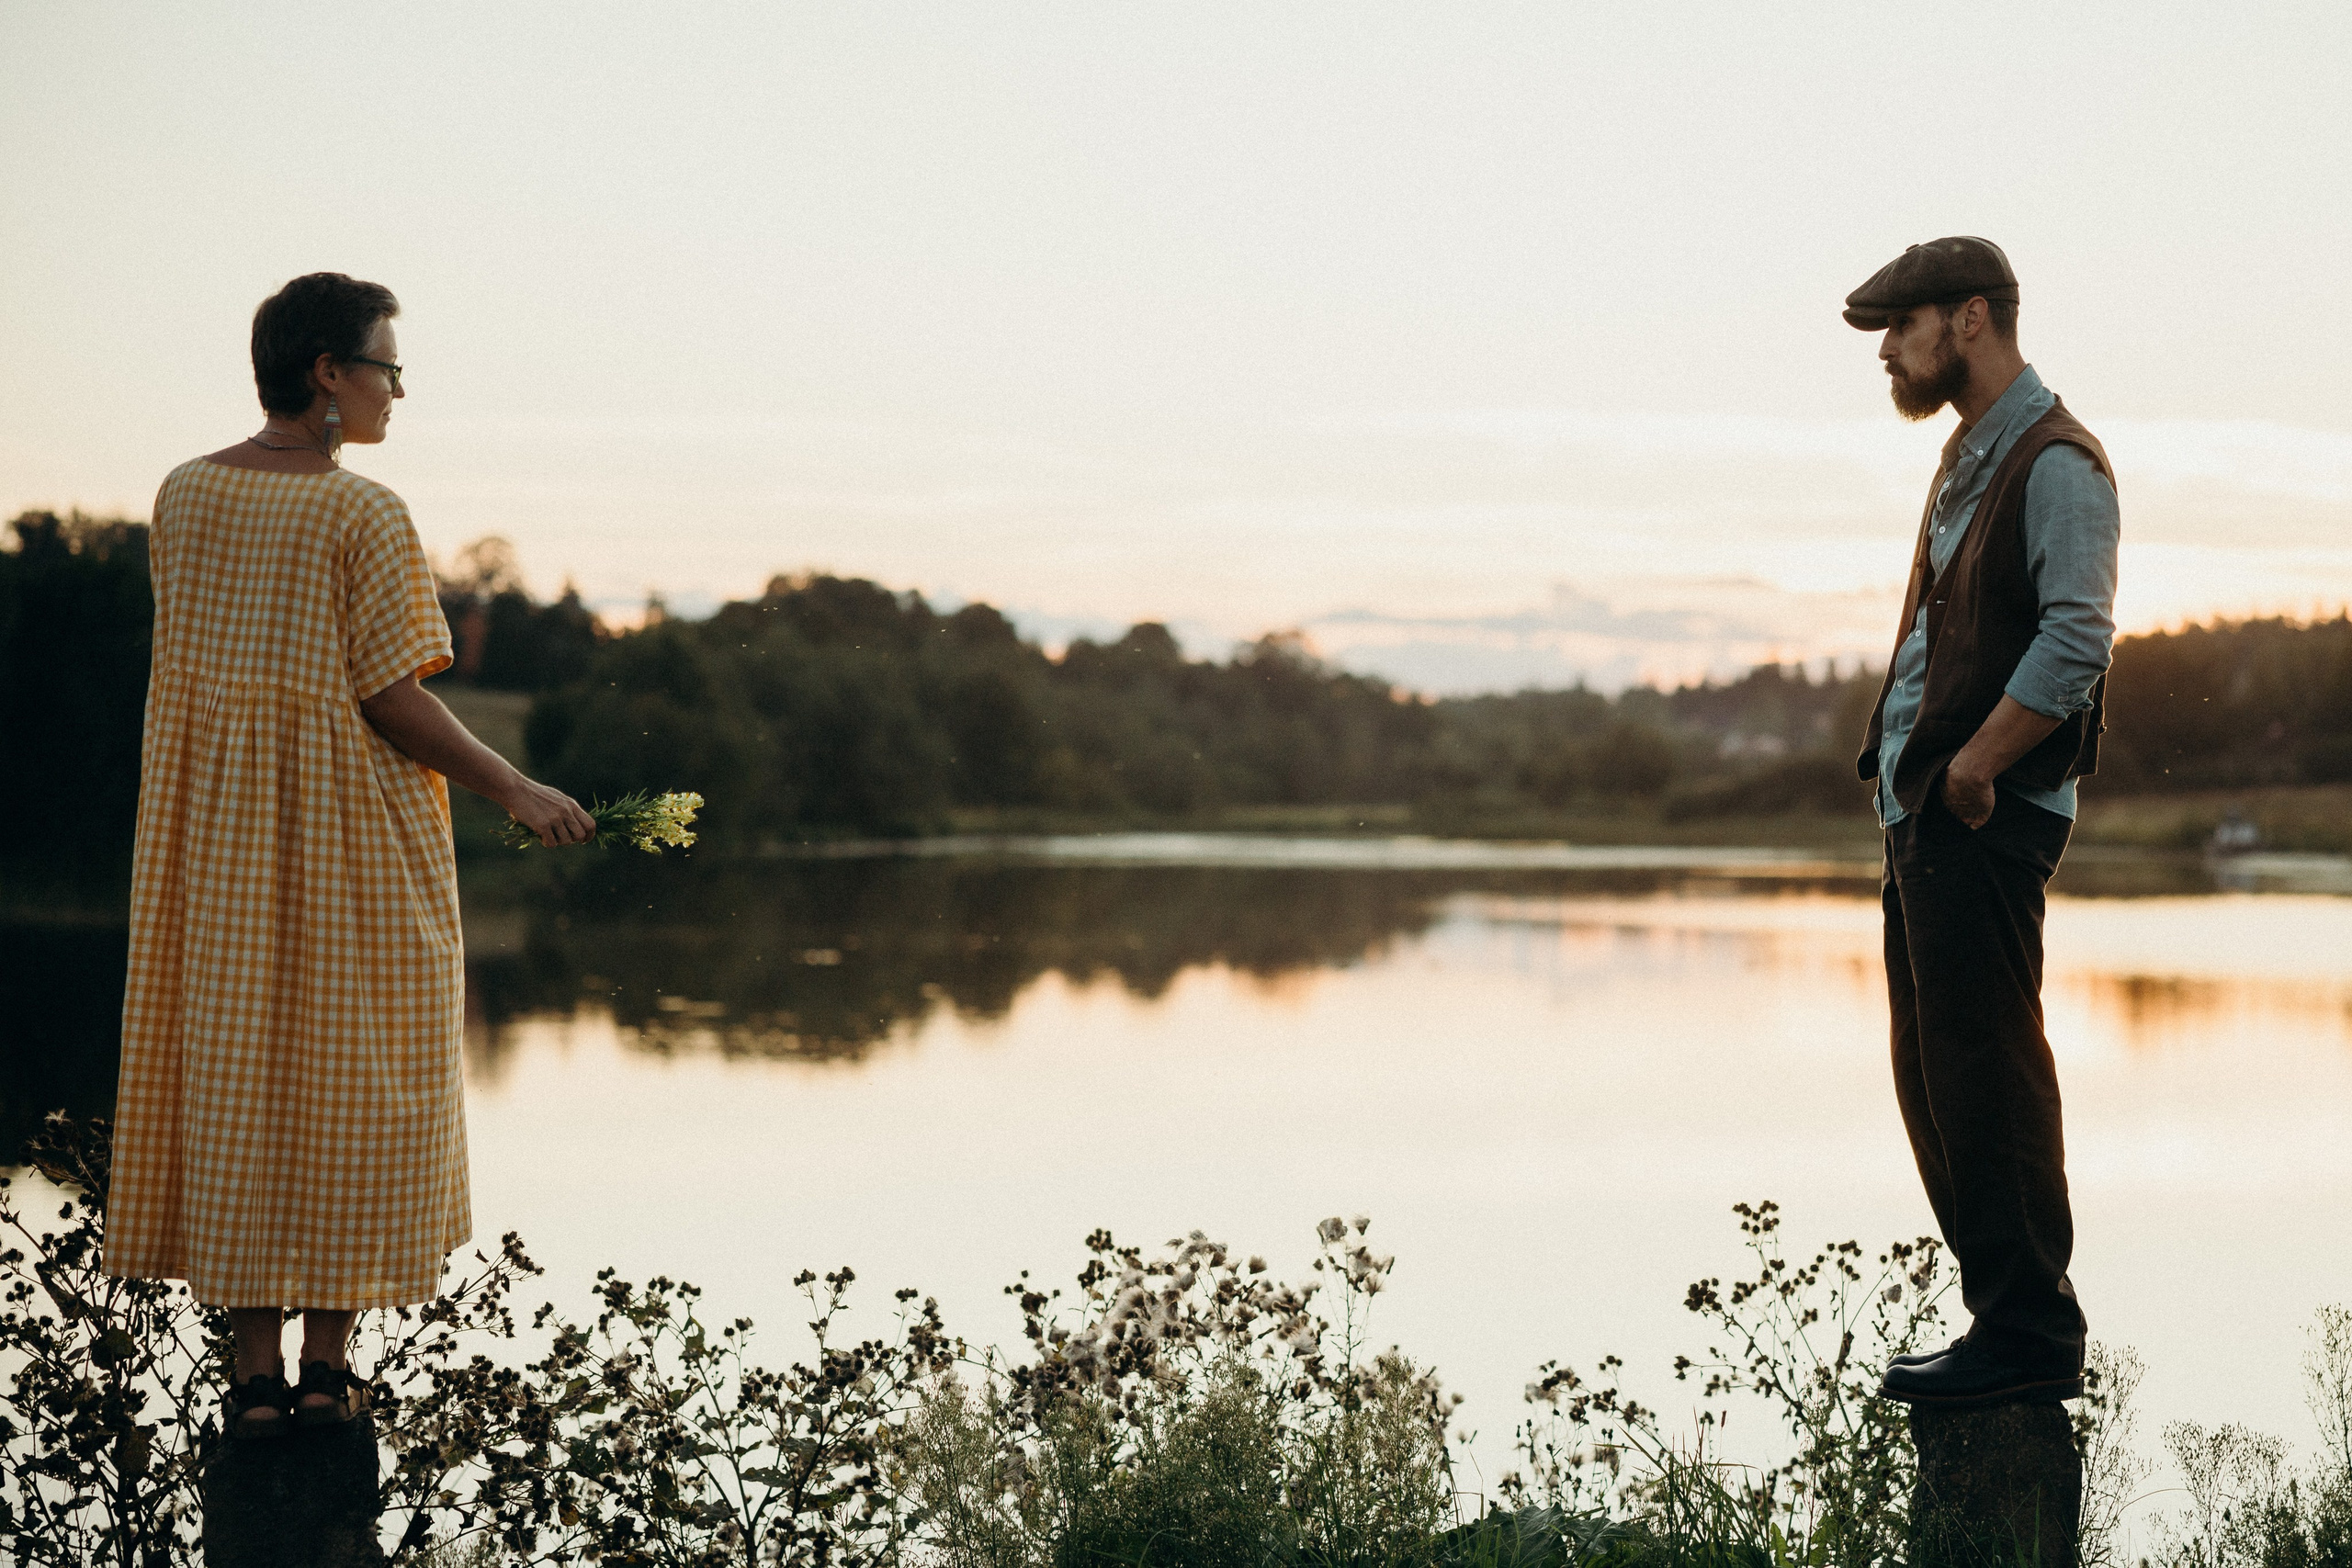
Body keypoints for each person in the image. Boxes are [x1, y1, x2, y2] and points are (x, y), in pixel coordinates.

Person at [103, 272, 597, 1439]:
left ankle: (254, 1375)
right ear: (326, 371)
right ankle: (328, 1367)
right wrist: (518, 790)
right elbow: (388, 697)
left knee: (239, 1070)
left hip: (211, 836)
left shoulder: (182, 496)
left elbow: (213, 681)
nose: (395, 393)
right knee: (359, 1077)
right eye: (385, 367)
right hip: (345, 833)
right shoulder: (360, 511)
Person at [1844, 239, 2120, 1408]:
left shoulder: (2056, 461)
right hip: (1926, 808)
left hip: (1981, 812)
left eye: (1900, 329)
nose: (1888, 355)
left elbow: (2077, 639)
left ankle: (2029, 1336)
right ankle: (1999, 1324)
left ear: (1969, 319)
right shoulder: (1970, 452)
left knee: (1988, 1070)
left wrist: (1972, 770)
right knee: (1933, 1073)